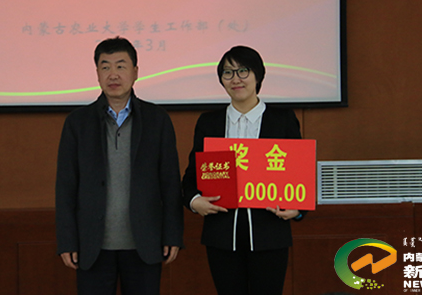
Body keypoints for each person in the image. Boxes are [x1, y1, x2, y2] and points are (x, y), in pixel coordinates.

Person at [56, 37, 184, 295]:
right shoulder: (77, 123)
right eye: (105, 67)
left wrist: (172, 235)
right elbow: (66, 186)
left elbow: (170, 182)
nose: (113, 74)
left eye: (121, 66)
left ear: (135, 72)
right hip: (92, 245)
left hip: (144, 243)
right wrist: (67, 240)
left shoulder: (157, 120)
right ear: (97, 73)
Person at [182, 45, 308, 295]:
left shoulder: (282, 120)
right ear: (221, 80)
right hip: (221, 235)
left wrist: (298, 209)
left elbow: (299, 174)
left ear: (258, 76)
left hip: (269, 233)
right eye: (228, 73)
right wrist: (195, 202)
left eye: (243, 71)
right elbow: (191, 176)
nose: (236, 79)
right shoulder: (209, 123)